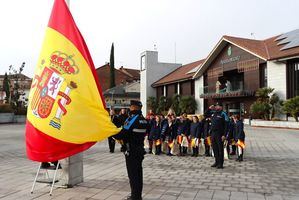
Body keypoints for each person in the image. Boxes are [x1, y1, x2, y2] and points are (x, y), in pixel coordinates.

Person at [112, 100, 147, 200]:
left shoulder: (132, 119)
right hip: (139, 149)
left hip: (131, 151)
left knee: (133, 175)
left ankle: (135, 197)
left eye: (131, 106)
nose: (130, 108)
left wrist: (111, 133)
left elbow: (123, 134)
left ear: (134, 107)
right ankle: (137, 195)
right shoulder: (143, 119)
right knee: (138, 174)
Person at [210, 105, 227, 169]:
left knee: (220, 149)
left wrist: (224, 135)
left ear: (221, 107)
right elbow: (205, 115)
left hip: (219, 133)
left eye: (218, 106)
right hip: (213, 133)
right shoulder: (213, 113)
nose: (216, 107)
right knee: (214, 148)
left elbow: (226, 125)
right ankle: (216, 161)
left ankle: (220, 163)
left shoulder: (223, 114)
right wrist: (209, 109)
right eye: (216, 106)